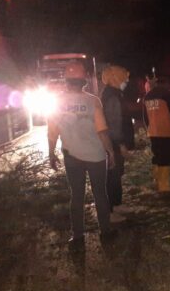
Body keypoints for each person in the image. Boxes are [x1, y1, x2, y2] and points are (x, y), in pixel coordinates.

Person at [47, 61, 116, 245]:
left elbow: (52, 132)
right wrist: (111, 152)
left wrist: (51, 153)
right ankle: (106, 232)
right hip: (96, 156)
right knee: (100, 194)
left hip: (72, 157)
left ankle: (77, 236)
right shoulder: (93, 100)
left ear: (66, 80)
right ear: (84, 80)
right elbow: (102, 131)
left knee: (76, 196)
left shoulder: (56, 102)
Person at [101, 65, 134, 220]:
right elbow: (114, 123)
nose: (126, 80)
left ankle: (117, 204)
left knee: (116, 174)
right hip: (113, 143)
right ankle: (110, 211)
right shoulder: (112, 96)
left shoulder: (114, 94)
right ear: (115, 78)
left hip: (114, 141)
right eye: (124, 77)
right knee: (112, 176)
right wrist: (121, 144)